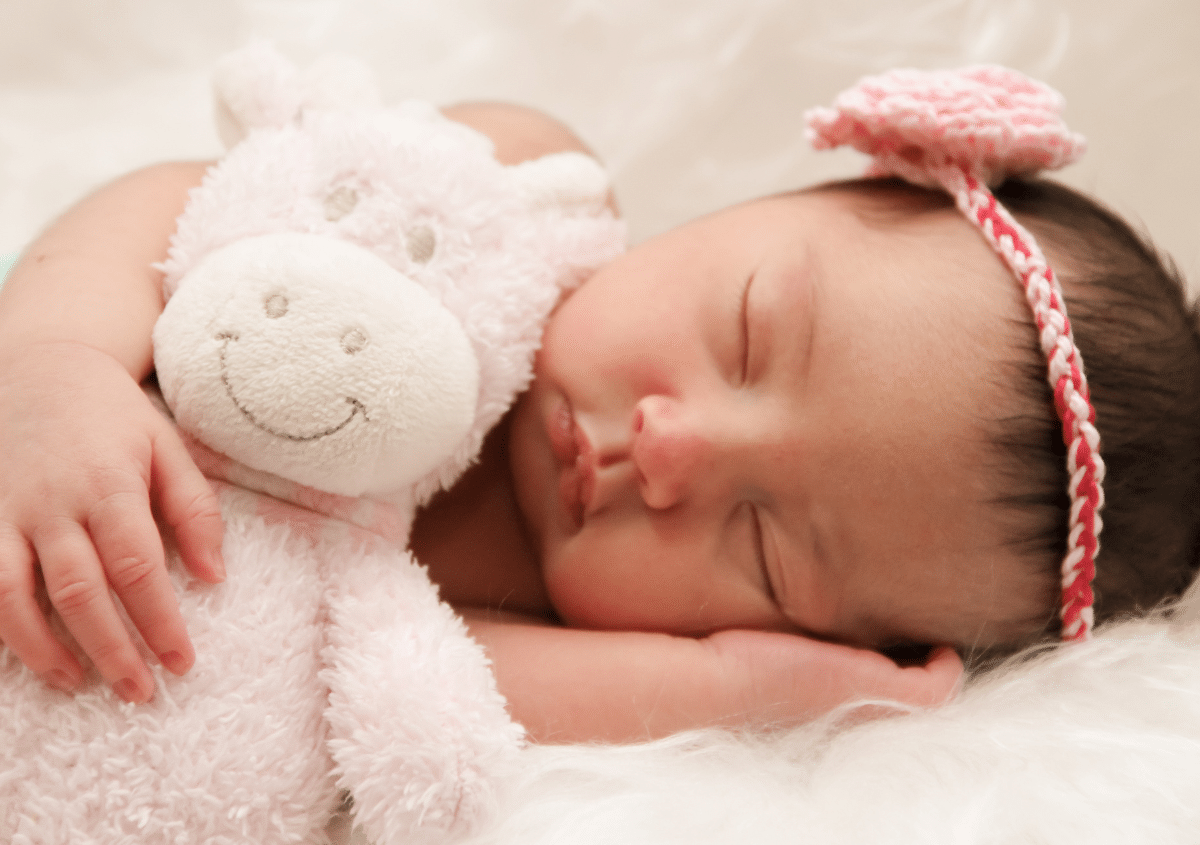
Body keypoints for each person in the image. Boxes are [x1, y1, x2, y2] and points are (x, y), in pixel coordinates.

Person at [0, 85, 1197, 744]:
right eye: (747, 334)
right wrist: (57, 365)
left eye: (766, 547)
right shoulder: (516, 201)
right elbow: (182, 204)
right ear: (786, 198)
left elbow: (422, 692)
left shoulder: (567, 625)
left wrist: (738, 690)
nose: (671, 452)